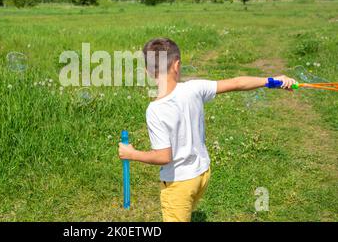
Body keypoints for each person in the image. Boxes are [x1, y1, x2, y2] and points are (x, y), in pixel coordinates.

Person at [118, 37, 296, 222]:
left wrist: (132, 154)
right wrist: (273, 81)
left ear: (147, 71)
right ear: (177, 65)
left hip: (178, 184)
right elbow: (236, 83)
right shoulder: (194, 88)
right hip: (202, 174)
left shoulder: (155, 110)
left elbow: (163, 157)